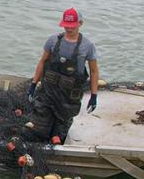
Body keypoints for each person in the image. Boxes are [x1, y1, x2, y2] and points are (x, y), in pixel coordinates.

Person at [26, 8, 100, 143]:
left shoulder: (87, 46)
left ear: (80, 23)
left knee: (58, 135)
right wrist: (33, 84)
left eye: (72, 26)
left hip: (69, 98)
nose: (68, 28)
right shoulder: (53, 41)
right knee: (39, 129)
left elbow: (94, 71)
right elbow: (42, 62)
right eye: (66, 25)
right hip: (48, 92)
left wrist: (94, 95)